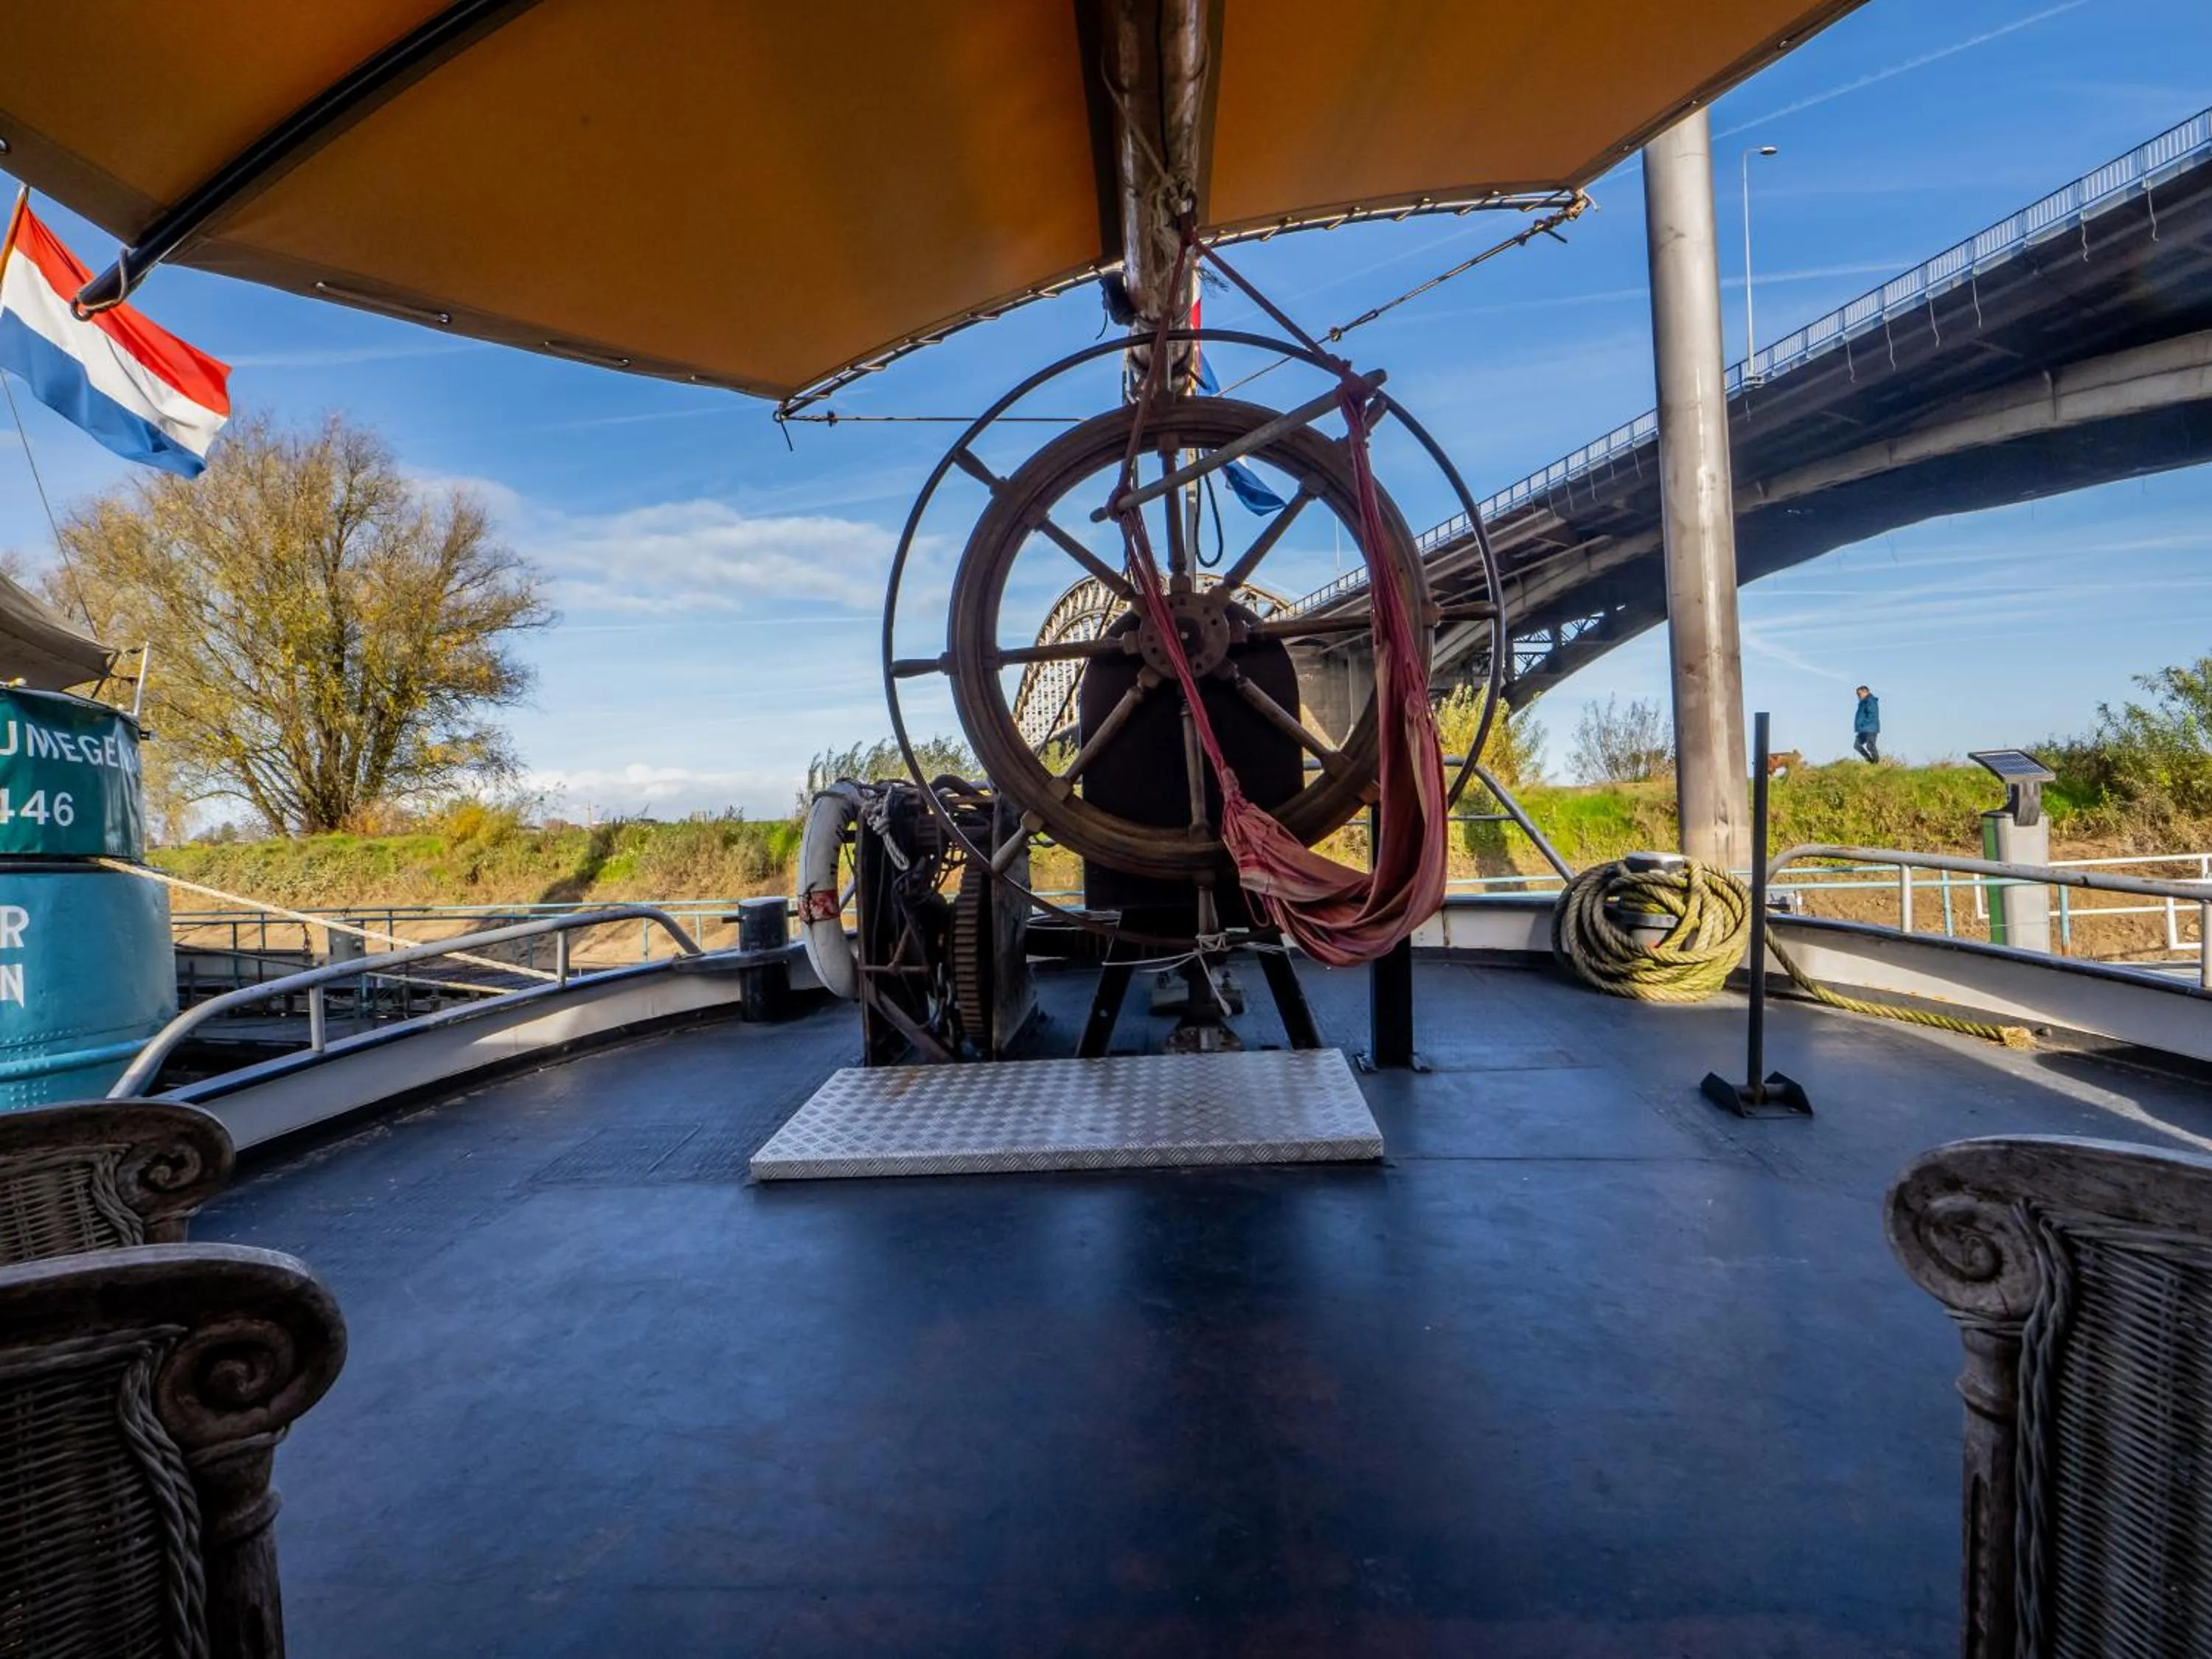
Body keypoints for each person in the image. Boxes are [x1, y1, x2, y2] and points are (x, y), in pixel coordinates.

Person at [1853, 685, 1881, 762]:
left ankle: (1876, 763)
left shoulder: (1870, 700)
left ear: (1866, 692)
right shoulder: (1863, 702)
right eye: (1857, 694)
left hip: (1870, 728)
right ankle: (1870, 761)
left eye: (1859, 694)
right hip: (1864, 729)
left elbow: (1872, 714)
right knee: (1857, 745)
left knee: (1870, 746)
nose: (1858, 696)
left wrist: (1863, 724)